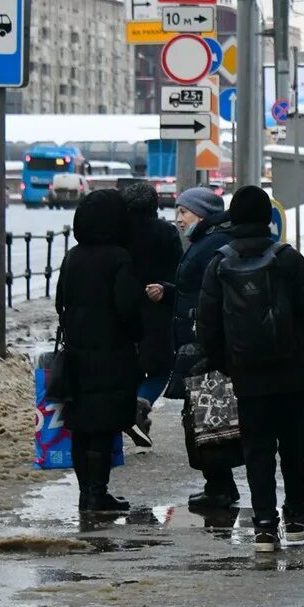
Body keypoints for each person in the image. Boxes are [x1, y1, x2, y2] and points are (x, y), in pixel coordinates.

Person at [198, 185, 304, 554]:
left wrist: (228, 364)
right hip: (292, 374)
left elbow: (207, 324)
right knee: (293, 448)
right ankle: (296, 519)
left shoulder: (219, 263)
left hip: (247, 377)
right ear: (267, 218)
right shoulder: (288, 259)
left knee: (257, 450)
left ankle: (263, 528)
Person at [55, 190, 143, 515]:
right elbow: (128, 307)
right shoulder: (119, 258)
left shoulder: (73, 256)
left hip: (77, 355)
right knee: (104, 428)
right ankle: (97, 495)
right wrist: (136, 336)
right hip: (112, 355)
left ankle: (84, 495)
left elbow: (60, 303)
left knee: (81, 426)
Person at [162, 186, 244, 509]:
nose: (179, 219)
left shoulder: (212, 245)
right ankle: (220, 485)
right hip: (198, 342)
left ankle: (220, 488)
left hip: (204, 346)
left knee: (209, 419)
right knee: (208, 417)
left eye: (184, 212)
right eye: (178, 212)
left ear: (203, 215)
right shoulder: (205, 242)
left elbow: (211, 295)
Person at [121, 180, 181, 449]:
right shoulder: (166, 232)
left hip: (124, 309)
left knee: (129, 366)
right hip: (157, 308)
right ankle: (140, 405)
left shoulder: (117, 233)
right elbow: (179, 272)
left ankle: (128, 410)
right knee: (161, 368)